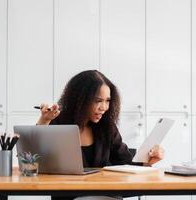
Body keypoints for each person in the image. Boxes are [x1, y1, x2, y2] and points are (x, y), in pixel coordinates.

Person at [36, 70, 164, 199]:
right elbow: (33, 159)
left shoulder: (106, 127)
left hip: (104, 196)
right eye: (98, 101)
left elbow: (126, 162)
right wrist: (44, 121)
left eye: (107, 100)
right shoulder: (57, 123)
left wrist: (148, 160)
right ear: (80, 99)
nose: (104, 107)